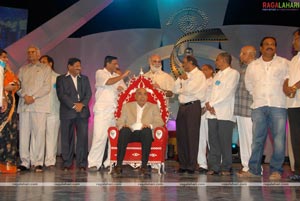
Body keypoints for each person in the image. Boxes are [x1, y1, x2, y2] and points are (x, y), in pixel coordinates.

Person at [238, 37, 289, 180]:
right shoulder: (253, 65)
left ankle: (276, 170)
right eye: (266, 44)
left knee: (279, 140)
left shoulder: (284, 63)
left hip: (278, 105)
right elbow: (249, 84)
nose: (269, 46)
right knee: (257, 140)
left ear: (276, 48)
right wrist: (258, 95)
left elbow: (290, 79)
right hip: (259, 106)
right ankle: (254, 169)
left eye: (272, 44)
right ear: (260, 48)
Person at [88, 56, 129, 171]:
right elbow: (108, 82)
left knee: (113, 138)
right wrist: (122, 76)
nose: (117, 66)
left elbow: (126, 92)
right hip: (102, 111)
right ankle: (94, 163)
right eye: (115, 63)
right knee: (99, 137)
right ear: (108, 63)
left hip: (114, 111)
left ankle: (110, 162)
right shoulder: (100, 72)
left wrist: (122, 90)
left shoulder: (117, 76)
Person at [112, 88, 164, 176]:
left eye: (145, 94)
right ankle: (119, 165)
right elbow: (120, 121)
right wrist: (123, 126)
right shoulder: (127, 106)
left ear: (147, 96)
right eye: (139, 94)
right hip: (131, 133)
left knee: (147, 131)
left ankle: (143, 166)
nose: (142, 96)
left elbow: (160, 122)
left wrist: (150, 126)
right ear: (135, 96)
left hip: (144, 133)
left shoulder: (153, 106)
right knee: (124, 131)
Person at [17, 45, 51, 172]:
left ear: (38, 54)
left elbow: (46, 87)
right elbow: (16, 85)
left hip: (39, 105)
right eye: (28, 52)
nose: (30, 54)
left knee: (39, 134)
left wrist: (33, 97)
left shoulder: (45, 68)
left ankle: (38, 162)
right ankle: (24, 162)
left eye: (33, 52)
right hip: (25, 105)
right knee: (24, 135)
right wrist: (24, 95)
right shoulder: (22, 69)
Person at [205, 52, 240, 176]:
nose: (216, 62)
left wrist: (213, 103)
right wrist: (208, 104)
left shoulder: (233, 74)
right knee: (213, 140)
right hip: (212, 113)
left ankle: (226, 166)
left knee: (225, 141)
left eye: (218, 60)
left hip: (225, 112)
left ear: (224, 60)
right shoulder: (217, 74)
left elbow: (228, 92)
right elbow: (211, 91)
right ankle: (214, 166)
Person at [56, 58, 92, 171]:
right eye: (76, 66)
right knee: (67, 139)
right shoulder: (61, 79)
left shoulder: (84, 79)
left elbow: (88, 94)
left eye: (80, 66)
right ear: (69, 67)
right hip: (67, 112)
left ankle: (81, 163)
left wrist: (82, 105)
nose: (79, 68)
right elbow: (62, 95)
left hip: (82, 112)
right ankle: (67, 163)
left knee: (82, 139)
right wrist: (74, 105)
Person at [173, 55, 206, 174]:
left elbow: (190, 90)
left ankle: (191, 165)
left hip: (193, 106)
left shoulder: (199, 75)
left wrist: (184, 81)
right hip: (182, 107)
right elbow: (174, 89)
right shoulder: (184, 75)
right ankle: (183, 164)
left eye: (184, 63)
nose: (182, 65)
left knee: (191, 136)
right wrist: (181, 80)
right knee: (181, 136)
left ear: (191, 63)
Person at [234, 46, 256, 173]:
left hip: (249, 108)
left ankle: (253, 167)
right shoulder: (243, 68)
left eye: (243, 53)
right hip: (240, 109)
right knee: (243, 139)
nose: (240, 55)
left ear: (251, 54)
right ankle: (246, 166)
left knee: (250, 139)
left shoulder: (256, 67)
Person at [283, 28, 300, 181]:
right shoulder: (294, 59)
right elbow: (287, 79)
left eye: (296, 38)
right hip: (293, 104)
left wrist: (294, 87)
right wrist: (287, 88)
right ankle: (298, 171)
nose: (293, 42)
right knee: (296, 139)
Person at [39, 55, 60, 168]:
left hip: (54, 111)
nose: (42, 64)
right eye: (40, 62)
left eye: (44, 62)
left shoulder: (58, 78)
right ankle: (38, 161)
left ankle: (50, 161)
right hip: (40, 111)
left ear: (50, 63)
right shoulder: (38, 77)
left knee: (52, 137)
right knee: (39, 137)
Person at [0, 49, 20, 166]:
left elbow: (17, 84)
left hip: (9, 105)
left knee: (10, 132)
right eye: (3, 57)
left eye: (6, 57)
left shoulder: (9, 72)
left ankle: (8, 161)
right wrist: (3, 88)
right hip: (2, 103)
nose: (6, 60)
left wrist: (10, 87)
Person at [197, 64, 214, 173]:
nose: (203, 72)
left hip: (210, 112)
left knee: (211, 139)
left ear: (211, 71)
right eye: (201, 70)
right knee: (200, 139)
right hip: (199, 113)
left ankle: (214, 163)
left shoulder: (214, 81)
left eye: (206, 70)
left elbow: (214, 96)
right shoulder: (199, 83)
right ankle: (202, 164)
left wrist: (206, 107)